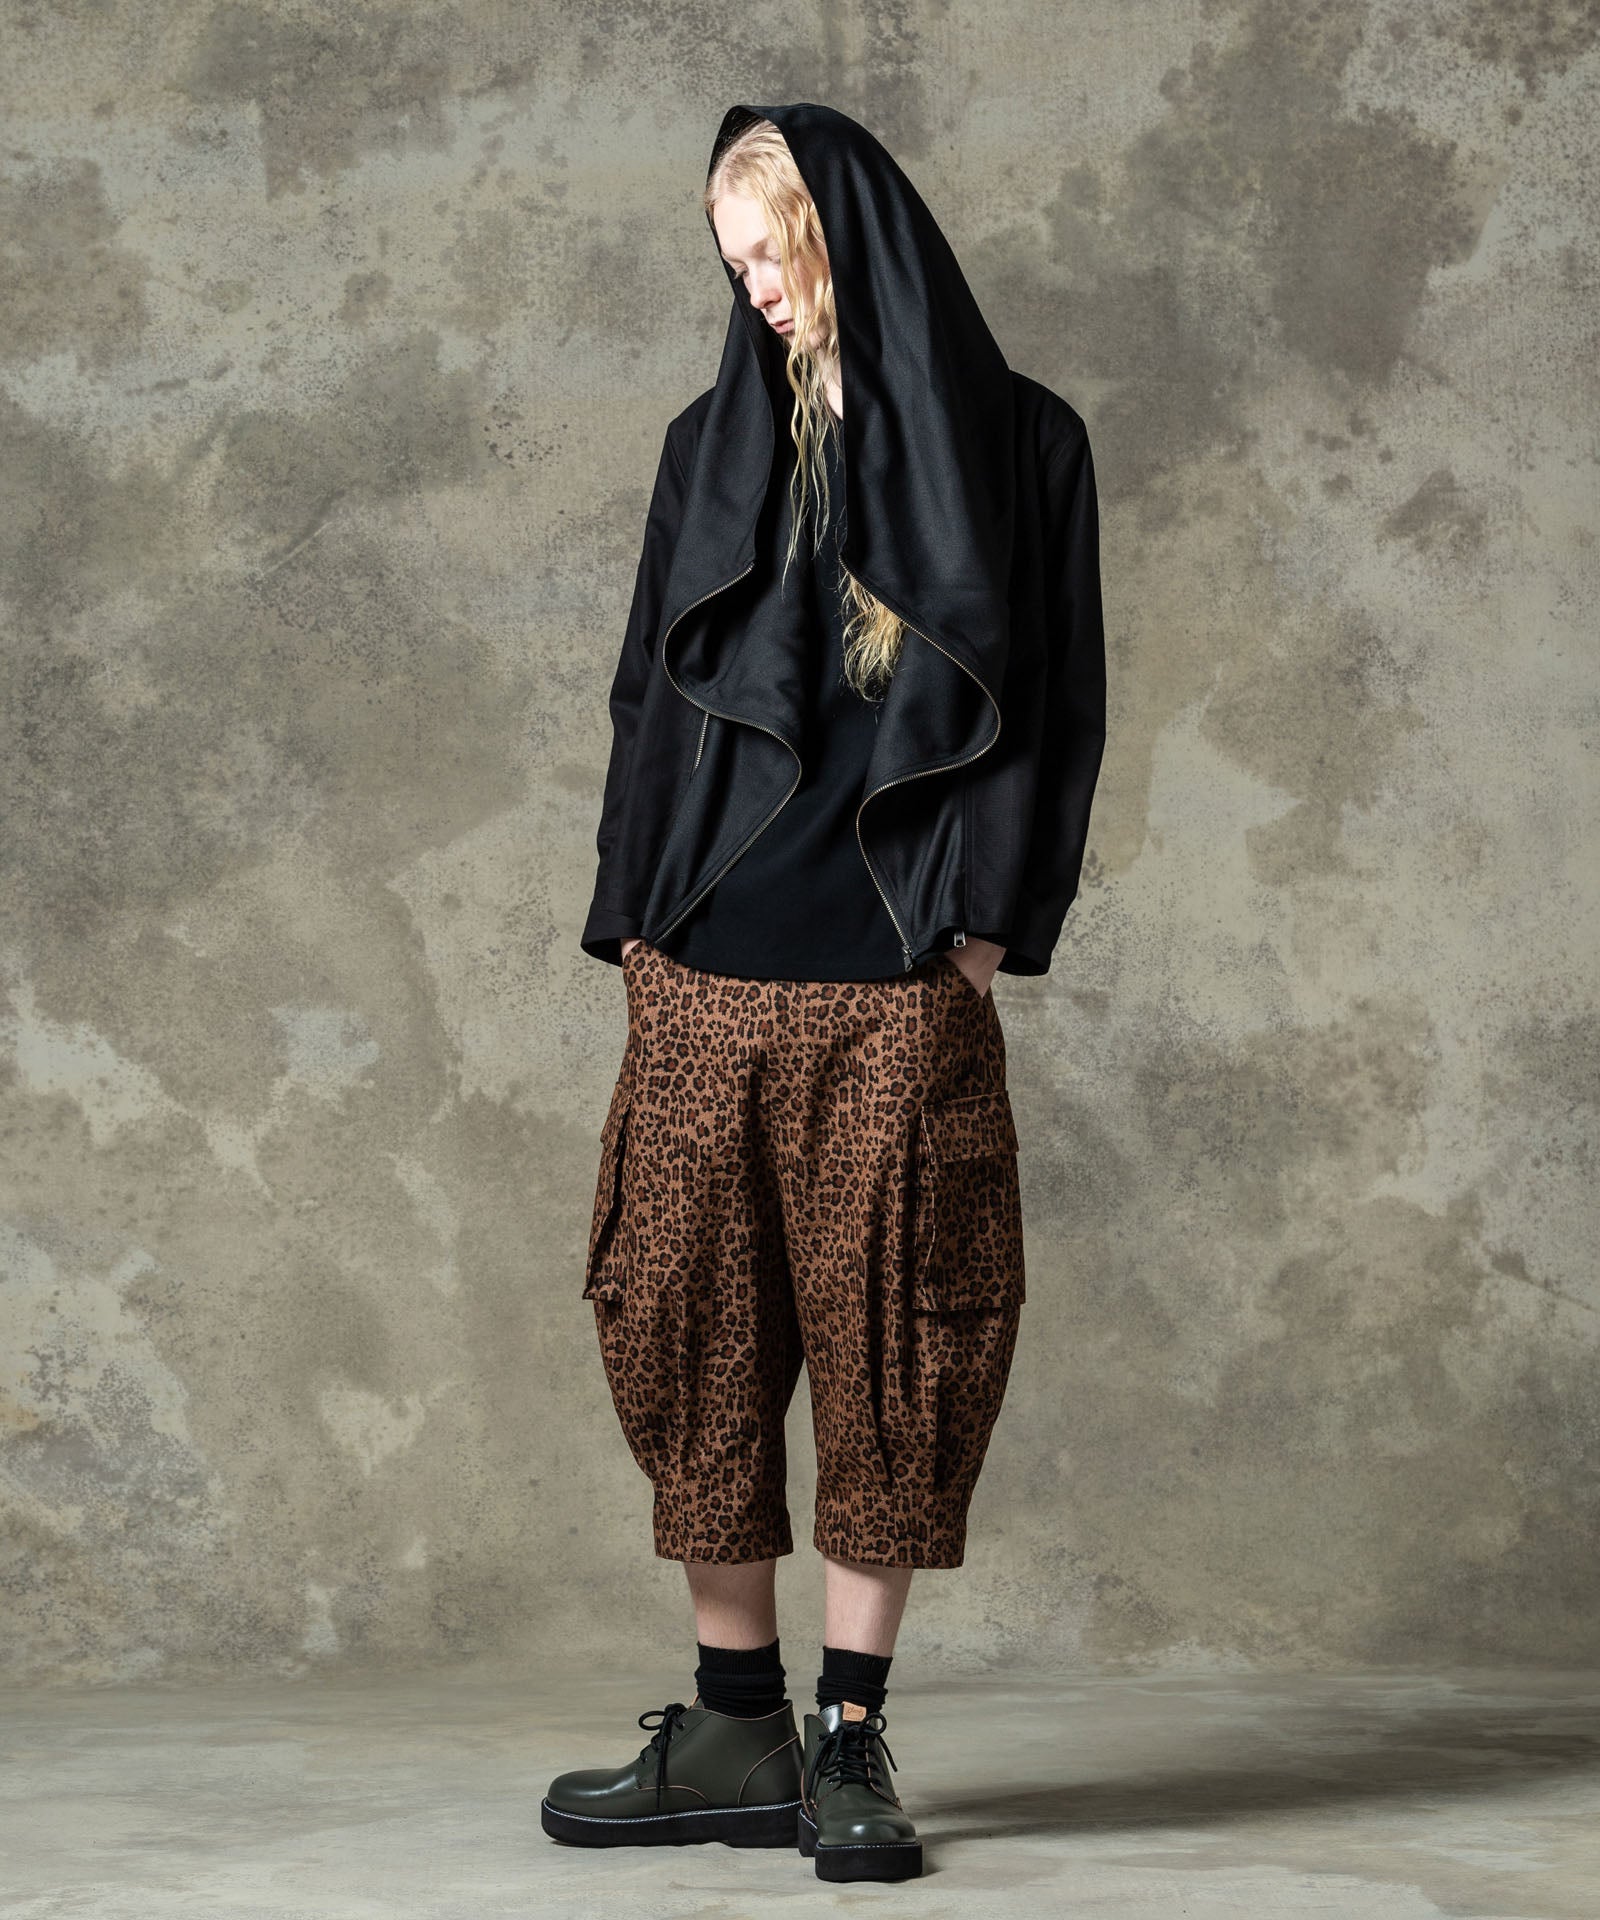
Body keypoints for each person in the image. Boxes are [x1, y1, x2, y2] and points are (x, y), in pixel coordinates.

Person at [542, 101, 1106, 1884]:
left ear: (846, 234)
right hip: (704, 971)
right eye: (734, 269)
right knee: (686, 1329)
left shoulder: (1026, 446)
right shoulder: (710, 447)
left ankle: (850, 1734)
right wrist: (635, 926)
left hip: (896, 992)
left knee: (902, 1344)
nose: (758, 292)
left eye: (775, 255)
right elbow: (646, 700)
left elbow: (1060, 704)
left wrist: (984, 930)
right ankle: (734, 1726)